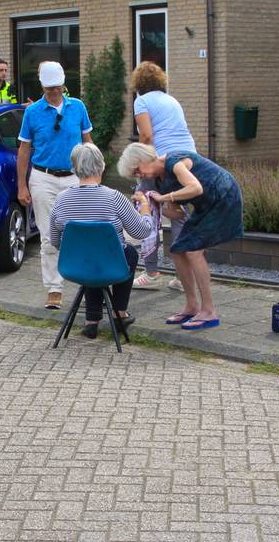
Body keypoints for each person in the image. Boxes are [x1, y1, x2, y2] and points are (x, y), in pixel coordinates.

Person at [117, 142, 242, 330]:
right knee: (177, 250)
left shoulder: (174, 162)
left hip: (224, 197)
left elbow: (196, 188)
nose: (138, 176)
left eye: (137, 170)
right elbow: (176, 214)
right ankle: (192, 306)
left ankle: (209, 311)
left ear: (144, 159)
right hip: (205, 206)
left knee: (193, 251)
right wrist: (150, 203)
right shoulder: (159, 179)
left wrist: (165, 198)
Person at [49, 143, 153, 339]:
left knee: (90, 254)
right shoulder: (114, 197)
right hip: (110, 266)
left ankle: (91, 320)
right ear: (101, 166)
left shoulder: (61, 199)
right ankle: (119, 313)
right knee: (127, 252)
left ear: (74, 168)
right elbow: (141, 231)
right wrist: (145, 208)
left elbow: (54, 240)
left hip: (75, 266)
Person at [17, 61, 93, 310]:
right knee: (49, 236)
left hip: (74, 177)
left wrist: (93, 175)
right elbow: (24, 150)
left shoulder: (78, 107)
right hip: (43, 178)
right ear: (42, 87)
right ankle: (54, 288)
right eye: (49, 89)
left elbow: (88, 142)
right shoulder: (33, 112)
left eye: (57, 88)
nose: (53, 93)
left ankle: (87, 284)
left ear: (63, 85)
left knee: (81, 230)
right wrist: (22, 186)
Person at [128, 61, 194, 293]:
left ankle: (151, 272)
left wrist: (135, 159)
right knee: (177, 214)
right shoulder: (171, 99)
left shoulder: (142, 101)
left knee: (149, 211)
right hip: (186, 159)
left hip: (160, 161)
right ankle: (182, 276)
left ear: (138, 83)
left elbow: (146, 135)